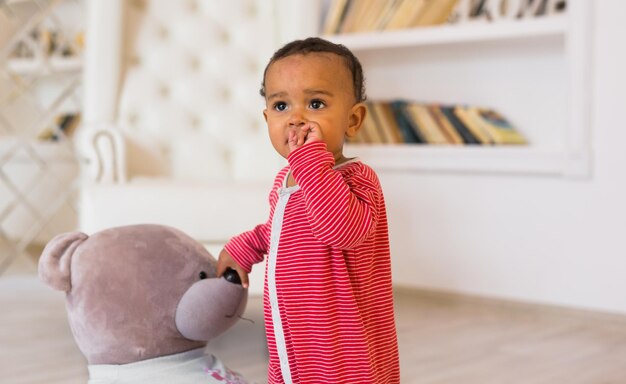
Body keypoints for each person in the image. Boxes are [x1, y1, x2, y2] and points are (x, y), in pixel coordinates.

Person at [217, 37, 400, 384]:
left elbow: (340, 231)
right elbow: (282, 231)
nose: (296, 119)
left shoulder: (358, 180)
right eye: (281, 106)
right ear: (266, 116)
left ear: (353, 119)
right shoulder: (287, 178)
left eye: (316, 103)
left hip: (342, 348)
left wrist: (311, 161)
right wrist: (246, 247)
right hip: (294, 336)